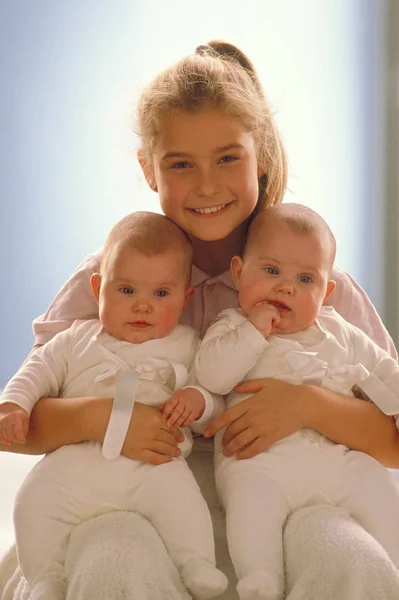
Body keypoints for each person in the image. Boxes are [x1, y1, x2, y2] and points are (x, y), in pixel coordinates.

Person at [1, 40, 399, 600]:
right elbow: (19, 426)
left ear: (260, 154)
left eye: (228, 158)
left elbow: (392, 441)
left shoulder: (318, 286)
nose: (207, 185)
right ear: (148, 168)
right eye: (180, 164)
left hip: (291, 502)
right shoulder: (110, 282)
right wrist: (108, 417)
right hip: (132, 500)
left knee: (351, 559)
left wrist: (308, 405)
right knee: (112, 560)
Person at [0, 212, 228, 600]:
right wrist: (12, 404)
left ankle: (197, 566)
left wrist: (198, 401)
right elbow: (35, 372)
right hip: (74, 463)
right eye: (126, 291)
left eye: (161, 294)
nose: (143, 307)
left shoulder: (189, 344)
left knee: (183, 502)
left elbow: (215, 394)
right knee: (33, 502)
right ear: (98, 287)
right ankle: (45, 579)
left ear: (184, 297)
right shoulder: (76, 339)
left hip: (154, 465)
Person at [195, 203, 399, 600]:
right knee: (249, 504)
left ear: (326, 293)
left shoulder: (340, 330)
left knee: (379, 488)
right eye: (271, 271)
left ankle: (391, 566)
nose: (285, 287)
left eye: (305, 279)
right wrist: (254, 331)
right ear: (240, 273)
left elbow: (385, 368)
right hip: (260, 460)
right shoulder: (233, 325)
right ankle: (260, 576)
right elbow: (212, 376)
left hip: (336, 458)